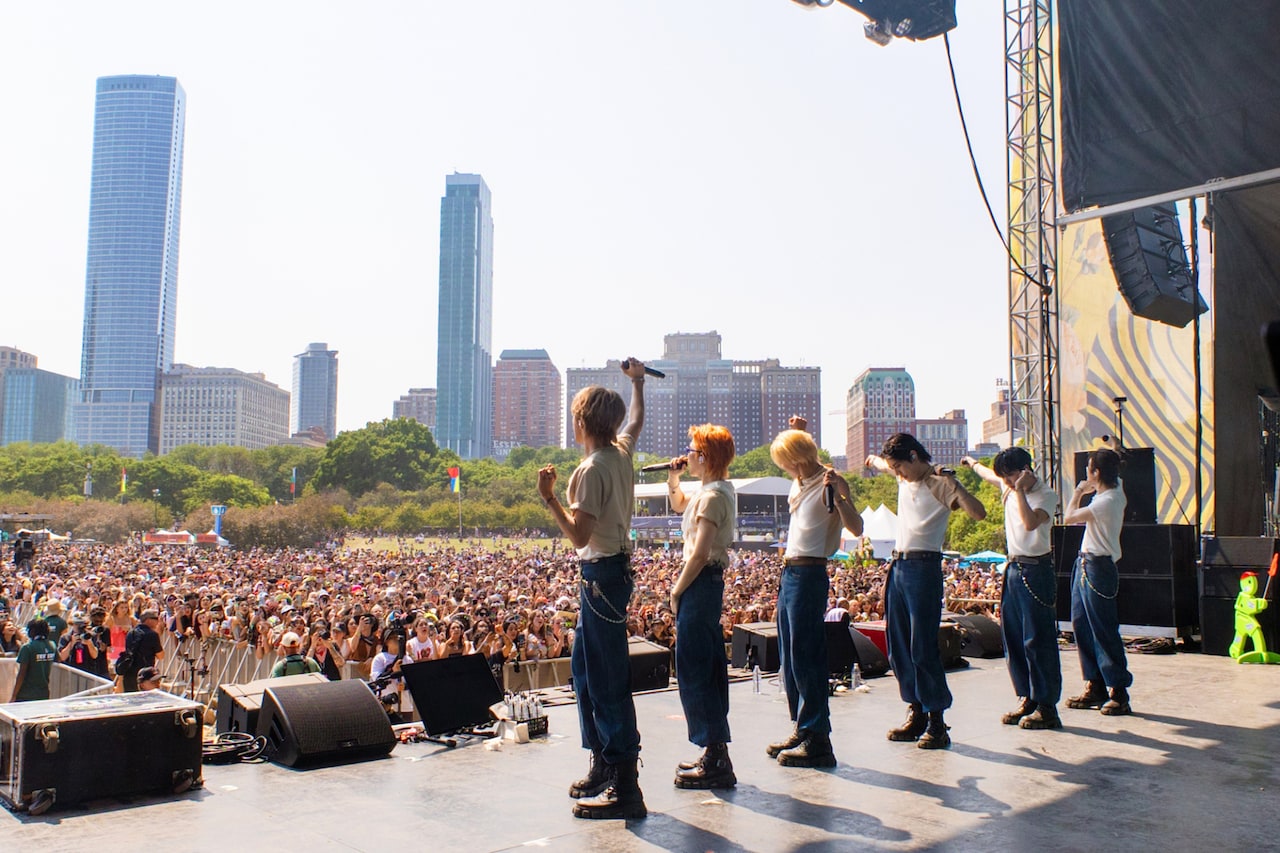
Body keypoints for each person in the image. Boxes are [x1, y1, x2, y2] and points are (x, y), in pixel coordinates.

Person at [537, 357, 648, 820]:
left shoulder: (590, 470)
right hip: (608, 575)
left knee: (605, 680)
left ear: (581, 422)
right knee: (584, 671)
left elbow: (580, 537)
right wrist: (638, 383)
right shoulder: (620, 453)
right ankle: (602, 759)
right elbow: (636, 420)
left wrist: (549, 499)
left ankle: (625, 784)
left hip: (601, 575)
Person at [867, 432, 986, 749]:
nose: (897, 473)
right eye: (894, 468)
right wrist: (873, 461)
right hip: (898, 566)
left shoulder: (939, 483)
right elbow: (882, 465)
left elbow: (979, 513)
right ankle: (916, 709)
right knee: (898, 646)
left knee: (922, 646)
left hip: (924, 566)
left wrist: (956, 485)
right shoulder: (902, 476)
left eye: (900, 466)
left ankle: (937, 719)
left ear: (914, 457)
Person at [766, 420, 865, 767]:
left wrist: (841, 496)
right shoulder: (803, 480)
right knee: (790, 656)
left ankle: (818, 738)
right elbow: (805, 452)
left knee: (806, 655)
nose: (785, 469)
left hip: (809, 573)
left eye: (786, 462)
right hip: (791, 572)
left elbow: (857, 527)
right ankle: (802, 726)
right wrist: (799, 429)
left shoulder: (829, 483)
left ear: (797, 459)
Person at [963, 448, 1062, 729]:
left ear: (1026, 470)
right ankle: (1027, 696)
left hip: (1036, 568)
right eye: (1004, 478)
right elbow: (987, 475)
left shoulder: (1045, 494)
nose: (1005, 482)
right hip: (1014, 568)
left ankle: (1046, 705)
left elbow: (1030, 523)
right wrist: (972, 463)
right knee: (1014, 638)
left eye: (1010, 476)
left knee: (1037, 639)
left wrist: (1018, 490)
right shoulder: (1008, 485)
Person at [665, 423, 739, 788]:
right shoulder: (713, 490)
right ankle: (714, 750)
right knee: (705, 665)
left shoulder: (712, 497)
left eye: (692, 451)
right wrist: (673, 479)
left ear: (705, 457)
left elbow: (700, 552)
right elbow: (680, 503)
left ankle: (715, 756)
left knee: (696, 669)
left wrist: (677, 590)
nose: (687, 455)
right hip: (706, 583)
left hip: (700, 581)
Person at [1062, 447, 1132, 715]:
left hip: (1098, 565)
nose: (1086, 472)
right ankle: (1095, 684)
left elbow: (1069, 517)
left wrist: (1079, 492)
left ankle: (1118, 690)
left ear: (1096, 473)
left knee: (1102, 628)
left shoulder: (1107, 500)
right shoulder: (1114, 489)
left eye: (1089, 468)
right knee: (1081, 625)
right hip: (1086, 563)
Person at [10, 618, 57, 702]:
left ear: (32, 631)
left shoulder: (27, 647)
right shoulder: (52, 645)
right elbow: (59, 659)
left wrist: (14, 695)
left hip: (26, 694)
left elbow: (22, 673)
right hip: (43, 693)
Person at [120, 610, 165, 693]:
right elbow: (161, 656)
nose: (158, 621)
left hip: (129, 673)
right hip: (145, 676)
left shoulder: (130, 633)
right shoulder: (152, 634)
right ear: (148, 620)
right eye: (156, 619)